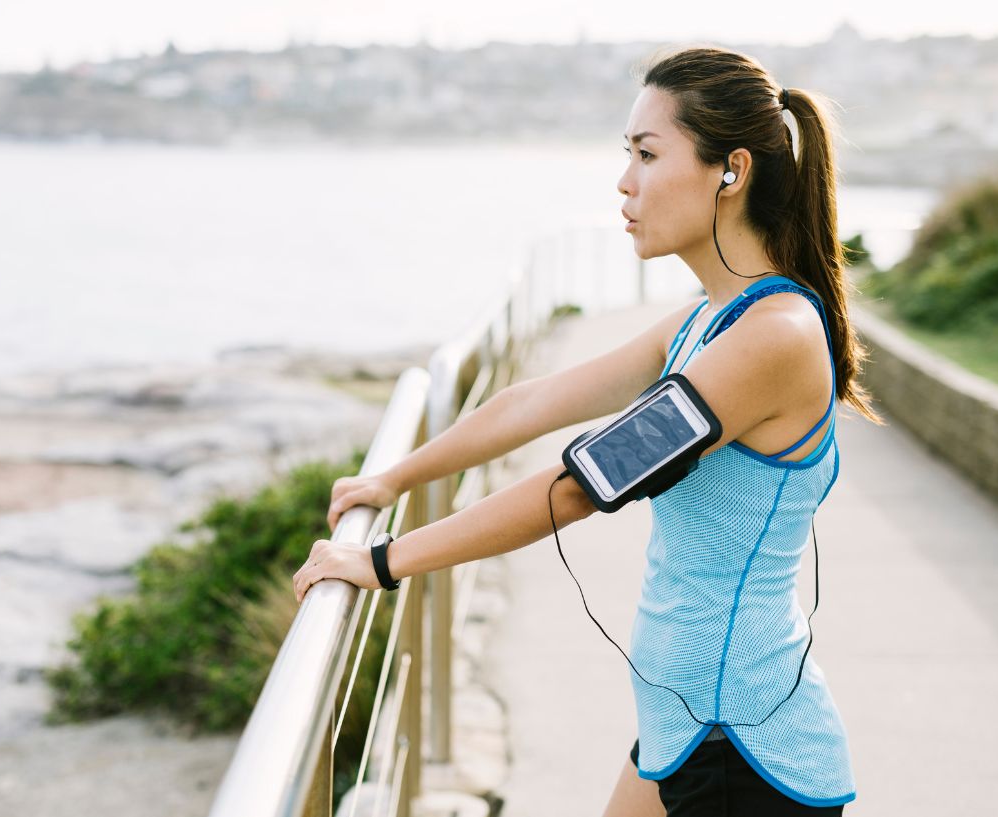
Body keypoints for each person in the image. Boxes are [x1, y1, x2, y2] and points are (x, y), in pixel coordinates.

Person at [292, 45, 881, 815]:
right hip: (684, 726)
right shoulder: (709, 319)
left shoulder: (775, 336)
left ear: (730, 170)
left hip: (748, 752)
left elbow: (580, 486)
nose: (624, 182)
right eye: (625, 155)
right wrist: (396, 475)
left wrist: (381, 561)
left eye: (647, 154)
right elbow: (537, 401)